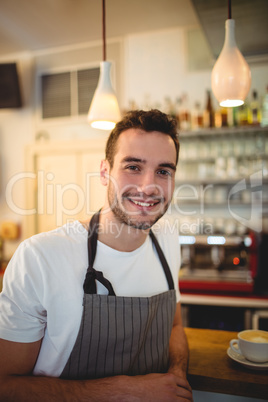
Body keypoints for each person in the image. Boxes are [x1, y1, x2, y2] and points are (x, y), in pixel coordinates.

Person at [0, 109, 193, 401]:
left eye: (163, 171)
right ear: (105, 172)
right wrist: (124, 391)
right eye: (133, 167)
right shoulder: (41, 257)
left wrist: (177, 374)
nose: (149, 187)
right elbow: (6, 385)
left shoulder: (167, 240)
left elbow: (175, 325)